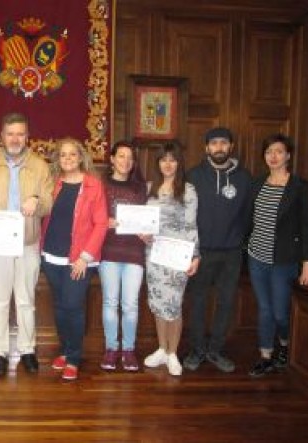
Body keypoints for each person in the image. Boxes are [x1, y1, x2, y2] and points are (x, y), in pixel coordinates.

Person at [0, 112, 54, 377]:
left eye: (20, 134)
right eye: (10, 134)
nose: (15, 139)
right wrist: (4, 220)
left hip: (27, 241)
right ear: (2, 135)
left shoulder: (40, 165)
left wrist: (36, 201)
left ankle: (27, 349)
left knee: (25, 299)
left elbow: (48, 201)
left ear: (27, 136)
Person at [247, 134, 308, 377]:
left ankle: (286, 345)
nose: (273, 156)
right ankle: (265, 355)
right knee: (265, 310)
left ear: (288, 155)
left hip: (284, 261)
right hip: (257, 258)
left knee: (280, 313)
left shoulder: (300, 187)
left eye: (279, 151)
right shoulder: (257, 183)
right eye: (269, 152)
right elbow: (249, 219)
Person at [184, 127, 252, 373]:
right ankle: (197, 349)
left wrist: (236, 239)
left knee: (226, 302)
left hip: (232, 253)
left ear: (231, 147)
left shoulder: (244, 178)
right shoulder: (193, 176)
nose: (219, 147)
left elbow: (247, 216)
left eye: (224, 143)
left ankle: (215, 350)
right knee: (198, 302)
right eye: (214, 143)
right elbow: (186, 216)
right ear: (206, 148)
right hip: (200, 253)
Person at [41, 138, 108, 380]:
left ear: (80, 157)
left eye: (72, 154)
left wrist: (84, 257)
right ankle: (66, 349)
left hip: (79, 259)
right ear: (58, 160)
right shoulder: (53, 184)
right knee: (59, 307)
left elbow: (101, 224)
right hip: (51, 256)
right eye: (63, 155)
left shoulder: (93, 185)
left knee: (72, 305)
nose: (67, 159)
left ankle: (74, 357)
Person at [141, 143, 199, 376]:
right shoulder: (149, 188)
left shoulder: (188, 189)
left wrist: (195, 256)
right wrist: (142, 234)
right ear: (157, 163)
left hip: (177, 255)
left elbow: (192, 225)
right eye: (163, 159)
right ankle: (162, 349)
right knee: (157, 303)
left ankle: (173, 353)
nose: (167, 163)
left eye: (172, 159)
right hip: (153, 255)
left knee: (173, 305)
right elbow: (143, 221)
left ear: (179, 163)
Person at [99, 140, 147, 371]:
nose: (125, 161)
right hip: (108, 251)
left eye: (130, 158)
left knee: (130, 304)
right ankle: (111, 348)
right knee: (110, 302)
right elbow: (92, 217)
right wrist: (103, 222)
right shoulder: (101, 185)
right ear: (112, 159)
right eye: (121, 156)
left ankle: (128, 350)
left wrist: (147, 233)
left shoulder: (141, 188)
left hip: (134, 252)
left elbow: (148, 221)